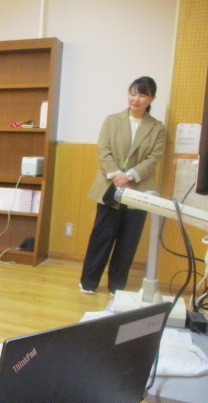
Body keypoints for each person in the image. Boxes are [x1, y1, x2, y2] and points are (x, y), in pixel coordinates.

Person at [79, 76, 165, 295]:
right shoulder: (112, 120)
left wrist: (130, 176)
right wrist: (117, 175)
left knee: (128, 241)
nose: (136, 99)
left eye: (142, 95)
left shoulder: (157, 127)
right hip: (110, 185)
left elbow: (154, 158)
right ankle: (88, 282)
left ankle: (117, 286)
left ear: (152, 99)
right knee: (102, 236)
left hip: (139, 189)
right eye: (132, 93)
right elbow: (104, 151)